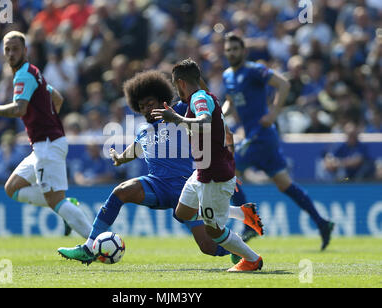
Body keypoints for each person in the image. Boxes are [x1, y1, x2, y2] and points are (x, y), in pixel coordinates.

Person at [57, 70, 263, 265]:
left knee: (208, 247)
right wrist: (120, 158)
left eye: (151, 103)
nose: (147, 108)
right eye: (142, 105)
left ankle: (237, 249)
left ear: (162, 101)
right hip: (156, 185)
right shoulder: (143, 130)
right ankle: (89, 246)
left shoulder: (178, 111)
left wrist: (191, 77)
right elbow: (137, 149)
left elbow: (201, 95)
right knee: (120, 192)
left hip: (186, 187)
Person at [221, 32, 334, 250]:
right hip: (259, 138)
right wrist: (220, 114)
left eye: (235, 49)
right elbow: (229, 102)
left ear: (244, 51)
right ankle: (322, 223)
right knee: (285, 184)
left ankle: (249, 222)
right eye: (228, 50)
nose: (232, 53)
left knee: (229, 172)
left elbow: (283, 84)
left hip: (261, 135)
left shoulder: (254, 70)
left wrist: (273, 113)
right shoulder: (227, 76)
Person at [0, 31, 92, 238]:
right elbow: (58, 98)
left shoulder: (24, 74)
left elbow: (20, 109)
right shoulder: (34, 71)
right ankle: (66, 204)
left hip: (47, 143)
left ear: (26, 51)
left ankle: (96, 243)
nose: (11, 54)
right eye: (7, 50)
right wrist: (45, 116)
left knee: (55, 200)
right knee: (12, 188)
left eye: (15, 49)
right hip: (42, 145)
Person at [150, 59, 263, 272]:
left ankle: (252, 259)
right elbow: (222, 130)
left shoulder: (199, 98)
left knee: (214, 231)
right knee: (182, 212)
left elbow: (205, 121)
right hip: (203, 170)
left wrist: (175, 118)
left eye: (176, 86)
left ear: (181, 83)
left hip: (214, 176)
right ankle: (241, 213)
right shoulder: (205, 97)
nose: (177, 91)